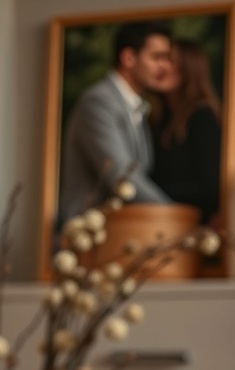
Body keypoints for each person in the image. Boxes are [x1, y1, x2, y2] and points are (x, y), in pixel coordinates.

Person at [59, 20, 174, 222]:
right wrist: (172, 214)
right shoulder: (99, 102)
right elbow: (121, 177)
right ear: (128, 58)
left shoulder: (136, 106)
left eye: (167, 58)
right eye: (157, 57)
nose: (165, 66)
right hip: (87, 231)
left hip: (122, 229)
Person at [151, 39, 222, 225]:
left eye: (169, 60)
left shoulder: (203, 116)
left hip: (189, 224)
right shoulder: (158, 119)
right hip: (163, 221)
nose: (161, 66)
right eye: (158, 59)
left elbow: (209, 186)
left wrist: (155, 195)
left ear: (188, 68)